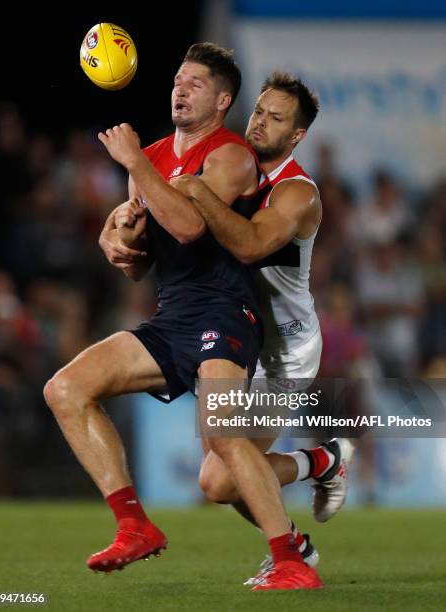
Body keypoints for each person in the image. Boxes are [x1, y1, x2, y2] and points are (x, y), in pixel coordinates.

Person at [44, 44, 322, 590]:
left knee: (222, 440)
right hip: (173, 315)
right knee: (65, 389)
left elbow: (192, 228)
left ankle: (290, 560)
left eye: (196, 83)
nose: (181, 87)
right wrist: (120, 243)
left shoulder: (231, 155)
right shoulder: (148, 156)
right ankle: (134, 525)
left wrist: (136, 168)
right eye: (178, 78)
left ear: (222, 100)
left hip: (227, 309)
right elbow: (146, 260)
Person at [104, 72, 354, 590]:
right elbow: (168, 231)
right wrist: (120, 230)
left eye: (277, 118)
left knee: (219, 479)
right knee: (220, 476)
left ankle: (320, 469)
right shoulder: (229, 165)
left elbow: (247, 245)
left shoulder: (296, 192)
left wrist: (194, 189)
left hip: (283, 350)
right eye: (260, 110)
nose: (261, 122)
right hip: (232, 330)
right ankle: (298, 536)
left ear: (297, 135)